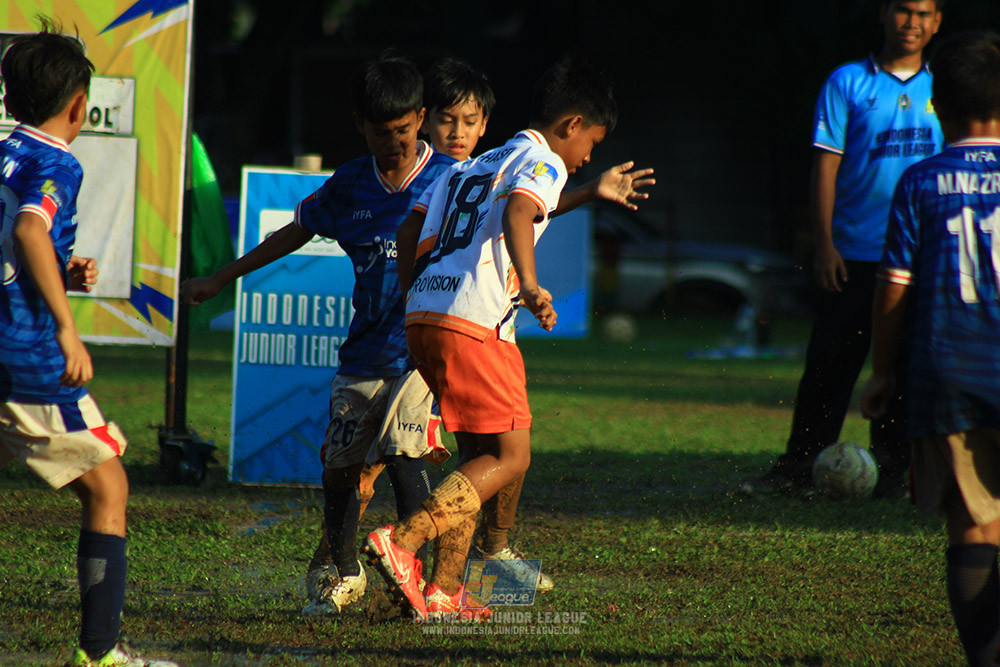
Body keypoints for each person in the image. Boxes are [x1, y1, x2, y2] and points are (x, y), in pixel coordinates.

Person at [363, 58, 648, 620]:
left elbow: (409, 229)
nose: (589, 155)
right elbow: (522, 209)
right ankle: (403, 543)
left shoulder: (469, 165)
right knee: (511, 455)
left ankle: (444, 591)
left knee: (476, 457)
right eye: (592, 141)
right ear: (571, 123)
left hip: (428, 313)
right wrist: (534, 286)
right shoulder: (542, 158)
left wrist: (418, 299)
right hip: (477, 322)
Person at [182, 53, 453, 617]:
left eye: (404, 130)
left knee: (407, 455)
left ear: (421, 118)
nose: (395, 143)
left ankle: (417, 581)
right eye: (382, 133)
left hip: (419, 353)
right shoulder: (351, 183)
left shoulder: (448, 180)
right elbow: (293, 232)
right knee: (339, 470)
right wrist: (219, 277)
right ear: (361, 126)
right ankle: (345, 571)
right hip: (364, 351)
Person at [0, 20, 177, 667]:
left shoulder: (5, 154)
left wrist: (58, 271)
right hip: (27, 359)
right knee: (109, 489)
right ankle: (99, 653)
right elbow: (26, 228)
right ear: (80, 103)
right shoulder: (56, 161)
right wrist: (66, 324)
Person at [741, 0, 944, 499]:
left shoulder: (946, 89)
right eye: (903, 10)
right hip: (853, 254)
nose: (912, 22)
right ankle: (798, 468)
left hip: (919, 256)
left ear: (938, 21)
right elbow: (826, 166)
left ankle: (896, 472)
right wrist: (825, 243)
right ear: (882, 13)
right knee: (830, 364)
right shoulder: (847, 82)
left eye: (924, 13)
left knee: (904, 369)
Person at [860, 30, 1000, 666]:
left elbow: (894, 291)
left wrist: (882, 371)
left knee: (976, 525)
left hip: (951, 371)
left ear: (939, 104)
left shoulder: (922, 183)